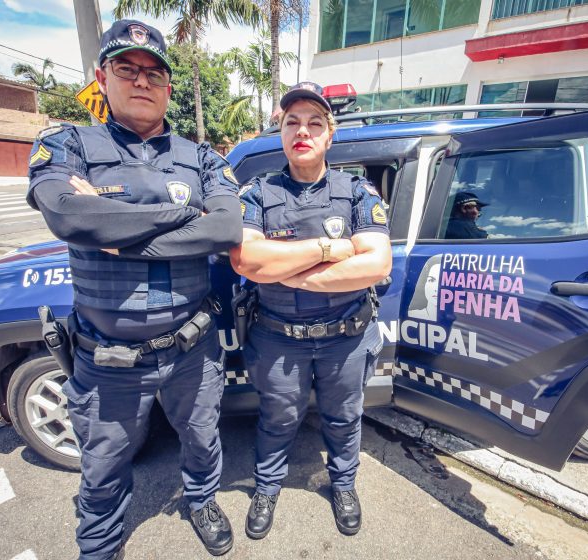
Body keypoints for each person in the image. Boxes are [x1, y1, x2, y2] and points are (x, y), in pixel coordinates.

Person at [25, 20, 242, 559]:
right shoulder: (69, 143)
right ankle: (99, 546)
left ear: (168, 86)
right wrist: (183, 214)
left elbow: (225, 229)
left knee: (202, 440)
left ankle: (201, 501)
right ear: (102, 77)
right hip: (109, 360)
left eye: (153, 73)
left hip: (193, 350)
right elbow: (67, 215)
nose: (141, 81)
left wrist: (118, 230)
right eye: (126, 69)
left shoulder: (203, 158)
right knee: (101, 468)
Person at [230, 82, 392, 540]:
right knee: (277, 418)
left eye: (314, 123)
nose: (303, 131)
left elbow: (376, 263)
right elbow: (246, 261)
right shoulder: (258, 194)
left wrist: (286, 271)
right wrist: (331, 249)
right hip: (279, 337)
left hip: (346, 336)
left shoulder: (357, 192)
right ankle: (266, 488)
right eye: (292, 122)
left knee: (344, 418)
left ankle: (343, 485)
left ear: (329, 134)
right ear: (281, 131)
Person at [408, 255, 441, 321]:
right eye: (431, 280)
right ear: (424, 283)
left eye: (442, 282)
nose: (436, 289)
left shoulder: (457, 322)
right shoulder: (412, 315)